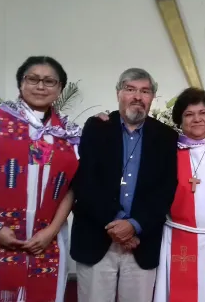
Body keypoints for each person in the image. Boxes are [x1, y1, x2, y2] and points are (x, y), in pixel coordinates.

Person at [70, 68, 178, 302]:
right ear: (118, 93)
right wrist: (118, 223)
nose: (137, 96)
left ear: (152, 98)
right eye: (130, 89)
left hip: (142, 241)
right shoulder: (96, 128)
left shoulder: (166, 136)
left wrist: (135, 225)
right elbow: (85, 181)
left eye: (145, 91)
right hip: (97, 237)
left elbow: (166, 188)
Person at [0, 56, 80, 302]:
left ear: (59, 88)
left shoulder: (69, 133)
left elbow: (72, 188)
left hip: (48, 240)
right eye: (32, 79)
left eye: (49, 81)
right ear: (20, 84)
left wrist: (52, 231)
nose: (40, 86)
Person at [153, 87, 205, 302]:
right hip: (179, 238)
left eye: (203, 113)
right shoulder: (168, 149)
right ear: (180, 120)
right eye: (189, 114)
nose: (197, 119)